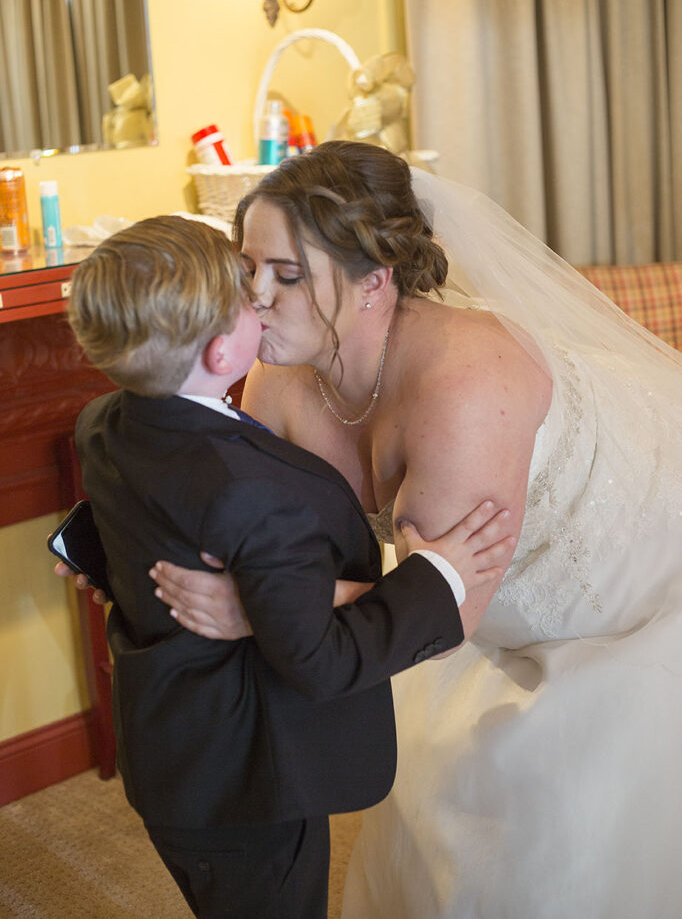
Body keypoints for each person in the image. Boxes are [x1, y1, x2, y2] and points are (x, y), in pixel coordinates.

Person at [151, 141, 682, 919]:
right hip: (448, 600)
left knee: (552, 834)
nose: (254, 298)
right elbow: (229, 516)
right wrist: (130, 543)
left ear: (375, 282)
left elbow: (439, 617)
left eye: (288, 276)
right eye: (248, 268)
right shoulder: (278, 374)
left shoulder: (463, 390)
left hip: (621, 576)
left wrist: (253, 607)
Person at [65, 214, 513, 919]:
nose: (264, 302)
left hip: (175, 751)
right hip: (247, 785)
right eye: (249, 296)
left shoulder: (103, 419)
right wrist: (437, 576)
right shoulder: (253, 492)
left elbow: (137, 500)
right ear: (221, 352)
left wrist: (96, 552)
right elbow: (320, 660)